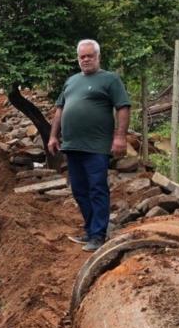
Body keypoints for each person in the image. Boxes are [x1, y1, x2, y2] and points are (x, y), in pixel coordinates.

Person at [48, 40, 131, 252]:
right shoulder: (71, 81)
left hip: (96, 146)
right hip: (72, 145)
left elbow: (122, 107)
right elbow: (59, 109)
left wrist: (120, 137)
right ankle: (90, 230)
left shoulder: (110, 79)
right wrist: (53, 136)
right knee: (79, 190)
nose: (85, 59)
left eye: (89, 56)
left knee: (97, 189)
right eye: (82, 56)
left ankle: (98, 235)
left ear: (98, 57)